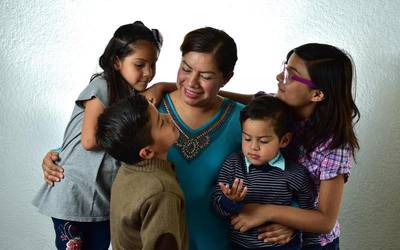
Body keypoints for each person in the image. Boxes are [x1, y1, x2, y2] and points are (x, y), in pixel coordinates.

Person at [42, 26, 243, 250]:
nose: (192, 82)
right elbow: (108, 136)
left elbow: (277, 174)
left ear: (226, 78)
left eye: (206, 76)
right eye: (185, 69)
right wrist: (58, 154)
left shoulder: (245, 120)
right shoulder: (147, 106)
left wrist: (280, 215)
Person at [32, 21, 162, 249]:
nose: (148, 73)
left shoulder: (134, 97)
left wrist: (161, 86)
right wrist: (132, 139)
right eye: (140, 65)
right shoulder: (101, 86)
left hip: (103, 199)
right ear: (116, 61)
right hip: (74, 194)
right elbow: (89, 140)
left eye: (153, 65)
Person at [221, 43, 360, 249]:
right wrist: (168, 87)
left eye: (291, 75)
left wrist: (268, 212)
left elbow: (325, 220)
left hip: (313, 244)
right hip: (269, 236)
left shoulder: (333, 146)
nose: (279, 77)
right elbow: (227, 99)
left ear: (317, 94)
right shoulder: (274, 110)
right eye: (285, 68)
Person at [212, 95, 320, 250]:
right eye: (247, 139)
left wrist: (295, 228)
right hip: (239, 245)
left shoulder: (295, 174)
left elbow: (310, 216)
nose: (253, 147)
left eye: (263, 141)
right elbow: (216, 206)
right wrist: (229, 201)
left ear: (284, 140)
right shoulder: (234, 164)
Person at [96, 94, 188, 250]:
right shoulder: (162, 191)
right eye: (161, 122)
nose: (168, 116)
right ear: (146, 152)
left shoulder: (126, 169)